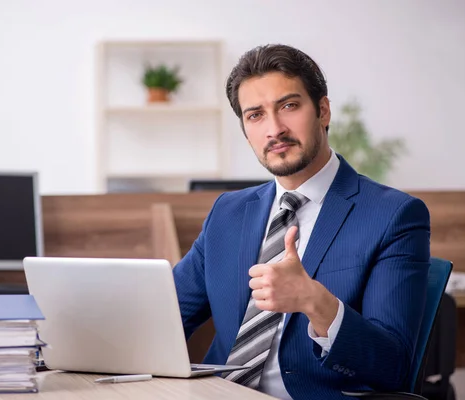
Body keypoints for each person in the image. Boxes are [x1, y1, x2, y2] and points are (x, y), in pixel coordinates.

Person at [172, 44, 430, 400]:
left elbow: (393, 365)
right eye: (255, 115)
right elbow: (164, 316)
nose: (274, 129)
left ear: (323, 111)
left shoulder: (393, 215)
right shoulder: (227, 213)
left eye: (289, 106)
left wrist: (316, 303)